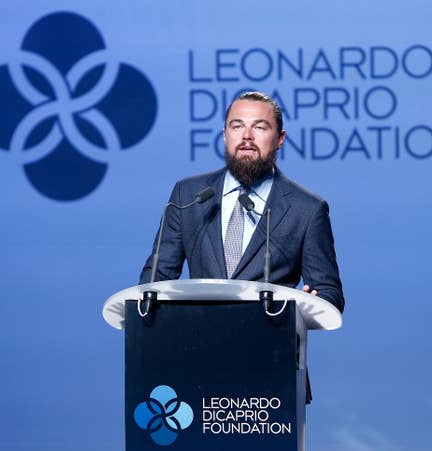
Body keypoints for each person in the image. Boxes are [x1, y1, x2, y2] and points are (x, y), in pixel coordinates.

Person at [139, 91, 344, 313]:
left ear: (280, 139)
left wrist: (304, 306)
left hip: (270, 340)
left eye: (260, 127)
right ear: (225, 135)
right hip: (197, 339)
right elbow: (157, 278)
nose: (247, 136)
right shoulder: (188, 195)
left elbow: (329, 292)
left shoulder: (307, 209)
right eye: (237, 126)